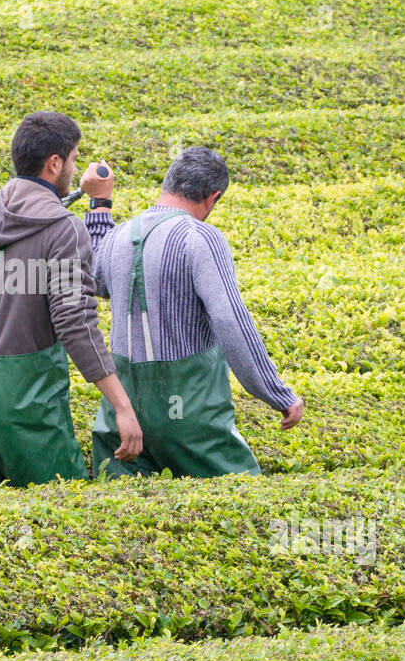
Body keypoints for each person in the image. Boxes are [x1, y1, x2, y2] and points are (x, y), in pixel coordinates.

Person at [0, 111, 142, 488]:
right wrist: (122, 405)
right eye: (71, 158)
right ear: (55, 163)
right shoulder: (64, 231)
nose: (72, 166)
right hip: (24, 410)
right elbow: (76, 323)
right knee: (60, 522)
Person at [89, 146, 303, 478]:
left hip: (123, 414)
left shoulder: (118, 236)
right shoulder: (201, 237)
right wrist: (275, 392)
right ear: (212, 197)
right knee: (240, 498)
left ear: (167, 182)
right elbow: (230, 320)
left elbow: (96, 278)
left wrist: (99, 208)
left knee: (124, 515)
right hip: (187, 413)